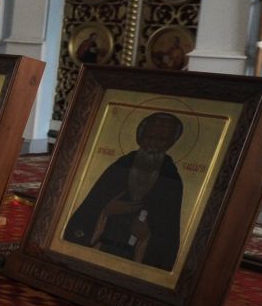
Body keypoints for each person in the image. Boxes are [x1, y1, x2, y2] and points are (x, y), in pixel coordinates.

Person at [62, 111, 186, 270]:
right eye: (150, 137)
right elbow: (89, 209)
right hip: (100, 247)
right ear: (139, 138)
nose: (154, 145)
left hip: (136, 259)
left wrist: (147, 237)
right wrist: (106, 211)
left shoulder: (171, 180)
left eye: (162, 140)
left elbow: (168, 232)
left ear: (170, 143)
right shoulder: (119, 168)